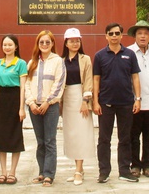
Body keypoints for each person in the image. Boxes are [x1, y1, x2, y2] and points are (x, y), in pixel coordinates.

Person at [92, 22, 141, 183]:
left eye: (117, 33)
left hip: (126, 103)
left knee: (125, 138)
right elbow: (96, 79)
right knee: (104, 139)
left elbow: (135, 77)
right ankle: (104, 171)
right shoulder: (100, 56)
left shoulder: (130, 54)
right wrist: (95, 101)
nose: (114, 36)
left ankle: (124, 170)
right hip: (105, 103)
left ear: (121, 35)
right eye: (111, 33)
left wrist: (137, 99)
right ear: (106, 36)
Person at [25, 30, 66, 187]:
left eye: (47, 42)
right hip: (34, 107)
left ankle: (49, 174)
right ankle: (41, 172)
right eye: (41, 42)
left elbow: (59, 84)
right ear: (38, 44)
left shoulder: (58, 61)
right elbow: (26, 84)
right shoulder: (32, 62)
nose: (44, 45)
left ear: (52, 43)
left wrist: (47, 102)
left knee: (50, 141)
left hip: (50, 106)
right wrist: (31, 103)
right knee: (40, 141)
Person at [125, 20, 149, 178]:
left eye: (146, 34)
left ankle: (148, 164)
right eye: (139, 33)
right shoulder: (127, 53)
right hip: (135, 102)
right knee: (133, 135)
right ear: (134, 36)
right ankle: (135, 165)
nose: (142, 36)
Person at [0, 34, 28, 185]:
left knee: (15, 135)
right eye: (5, 45)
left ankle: (12, 172)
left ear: (16, 47)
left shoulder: (21, 63)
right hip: (2, 100)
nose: (7, 47)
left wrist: (21, 108)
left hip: (15, 98)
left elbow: (23, 87)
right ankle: (3, 172)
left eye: (10, 45)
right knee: (1, 136)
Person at [60, 27, 95, 186]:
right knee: (72, 135)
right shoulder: (61, 61)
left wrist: (85, 101)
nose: (75, 43)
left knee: (82, 134)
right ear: (66, 43)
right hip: (67, 99)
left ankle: (78, 170)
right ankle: (78, 168)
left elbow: (88, 80)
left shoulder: (85, 59)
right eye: (71, 41)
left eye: (77, 41)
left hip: (80, 98)